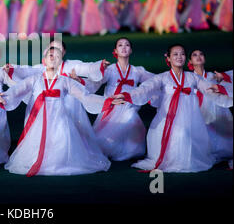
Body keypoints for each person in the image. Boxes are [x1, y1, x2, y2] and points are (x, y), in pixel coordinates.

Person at [0, 46, 110, 176]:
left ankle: (60, 163)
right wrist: (1, 98)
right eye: (51, 55)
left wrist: (107, 101)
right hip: (39, 121)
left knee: (62, 138)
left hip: (59, 119)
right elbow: (17, 90)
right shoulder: (35, 79)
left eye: (58, 56)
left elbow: (85, 96)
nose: (54, 58)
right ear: (44, 61)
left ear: (60, 61)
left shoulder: (65, 81)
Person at [111, 44, 227, 172]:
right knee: (180, 134)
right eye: (175, 54)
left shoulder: (192, 77)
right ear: (169, 59)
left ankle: (188, 159)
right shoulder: (162, 77)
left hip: (190, 119)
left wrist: (219, 88)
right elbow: (145, 89)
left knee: (186, 134)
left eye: (182, 54)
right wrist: (126, 95)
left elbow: (207, 87)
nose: (179, 57)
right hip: (168, 119)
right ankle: (173, 160)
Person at [89, 38, 156, 161]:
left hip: (129, 107)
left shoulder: (137, 71)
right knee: (102, 143)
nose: (124, 47)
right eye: (120, 45)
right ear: (115, 51)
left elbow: (154, 81)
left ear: (130, 50)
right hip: (112, 108)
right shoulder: (110, 70)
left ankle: (125, 150)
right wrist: (88, 77)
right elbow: (95, 82)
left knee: (130, 117)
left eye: (127, 45)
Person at [188, 49, 232, 163]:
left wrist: (223, 78)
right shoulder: (188, 78)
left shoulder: (213, 76)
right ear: (190, 61)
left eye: (201, 54)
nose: (198, 57)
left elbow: (228, 79)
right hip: (196, 108)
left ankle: (220, 150)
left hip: (215, 108)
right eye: (194, 55)